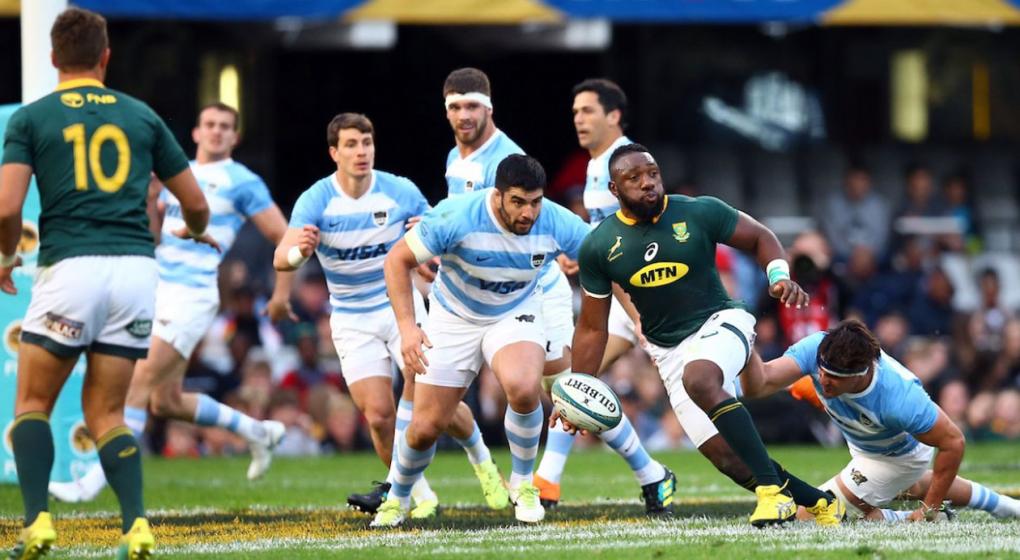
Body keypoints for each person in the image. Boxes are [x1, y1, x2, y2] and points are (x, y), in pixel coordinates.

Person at [0, 7, 214, 558]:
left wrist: (5, 257)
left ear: (54, 58)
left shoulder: (31, 118)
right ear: (106, 57)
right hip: (136, 272)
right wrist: (194, 231)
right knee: (108, 413)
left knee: (32, 403)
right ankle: (136, 526)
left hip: (72, 266)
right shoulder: (142, 116)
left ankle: (37, 522)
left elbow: (6, 208)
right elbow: (195, 203)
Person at [566, 143, 843, 527]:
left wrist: (778, 276)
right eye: (634, 178)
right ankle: (822, 503)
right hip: (668, 351)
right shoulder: (598, 246)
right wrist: (577, 390)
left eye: (653, 173)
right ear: (614, 189)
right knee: (727, 459)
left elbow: (760, 237)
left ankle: (772, 492)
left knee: (700, 377)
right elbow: (593, 327)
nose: (647, 183)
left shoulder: (697, 211)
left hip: (722, 321)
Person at [50, 101, 297, 504]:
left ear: (235, 137)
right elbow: (154, 236)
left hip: (192, 296)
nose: (216, 131)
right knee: (165, 401)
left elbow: (285, 237)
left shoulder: (242, 181)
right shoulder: (174, 173)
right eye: (209, 124)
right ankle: (259, 432)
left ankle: (91, 482)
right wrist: (151, 198)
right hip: (152, 288)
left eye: (225, 126)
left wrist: (281, 294)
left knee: (138, 380)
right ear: (196, 132)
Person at [276, 113, 495, 519]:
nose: (361, 152)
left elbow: (437, 232)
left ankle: (482, 462)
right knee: (378, 416)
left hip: (401, 309)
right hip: (351, 319)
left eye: (367, 143)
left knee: (437, 406)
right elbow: (281, 258)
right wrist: (298, 252)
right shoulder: (316, 199)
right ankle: (421, 496)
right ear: (334, 153)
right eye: (351, 145)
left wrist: (426, 238)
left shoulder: (399, 191)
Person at [371, 154, 591, 527]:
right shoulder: (456, 216)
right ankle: (398, 498)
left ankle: (523, 485)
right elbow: (396, 260)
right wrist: (408, 328)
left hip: (514, 312)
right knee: (424, 429)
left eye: (535, 202)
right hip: (453, 317)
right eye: (518, 202)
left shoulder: (556, 220)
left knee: (524, 387)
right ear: (497, 195)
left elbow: (606, 255)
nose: (528, 213)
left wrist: (635, 311)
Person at [535, 78, 674, 512]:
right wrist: (580, 254)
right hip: (617, 296)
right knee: (573, 384)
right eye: (575, 112)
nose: (578, 119)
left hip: (645, 294)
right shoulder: (596, 165)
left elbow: (641, 241)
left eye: (588, 111)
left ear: (614, 115)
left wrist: (640, 313)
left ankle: (787, 376)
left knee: (709, 385)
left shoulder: (627, 163)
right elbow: (606, 237)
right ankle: (646, 476)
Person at [742, 319, 1020, 522]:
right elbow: (758, 385)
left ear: (861, 375)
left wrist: (929, 510)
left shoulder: (899, 398)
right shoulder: (816, 348)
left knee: (806, 516)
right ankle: (1005, 506)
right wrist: (745, 340)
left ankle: (917, 517)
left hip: (900, 456)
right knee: (913, 487)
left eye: (834, 378)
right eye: (822, 372)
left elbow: (954, 442)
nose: (823, 381)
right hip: (868, 445)